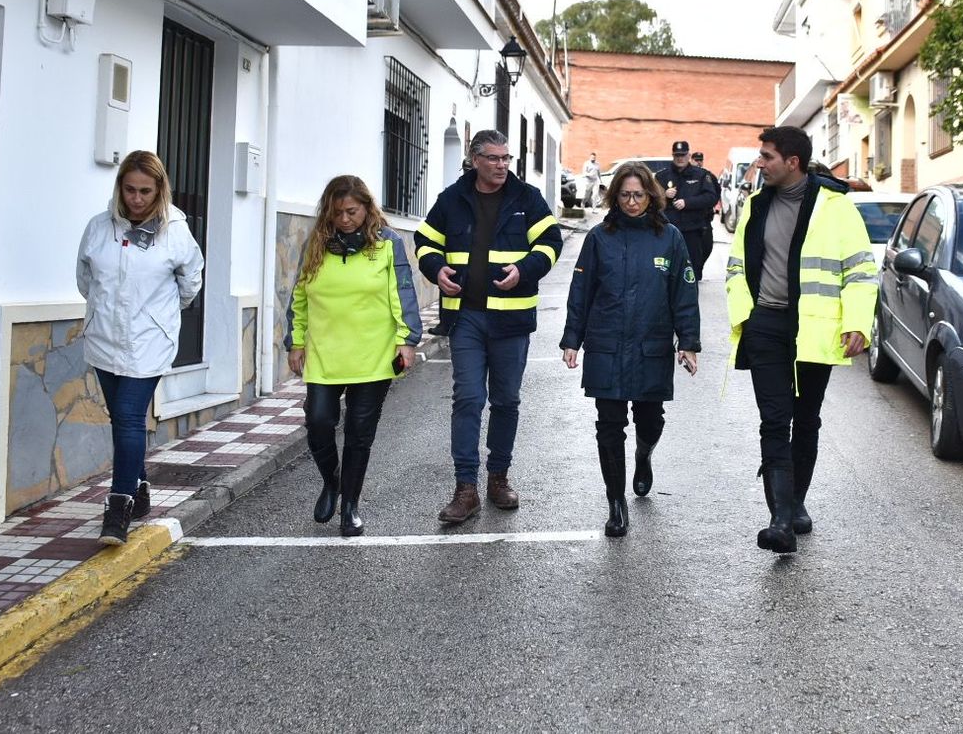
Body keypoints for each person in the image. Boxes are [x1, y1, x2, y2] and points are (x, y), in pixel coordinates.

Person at [725, 126, 876, 554]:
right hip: (766, 328)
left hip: (814, 330)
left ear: (792, 162)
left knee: (805, 419)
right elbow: (737, 267)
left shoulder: (836, 209)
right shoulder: (755, 206)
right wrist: (746, 316)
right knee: (774, 420)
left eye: (767, 156)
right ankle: (780, 520)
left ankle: (796, 502)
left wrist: (858, 323)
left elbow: (862, 273)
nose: (760, 163)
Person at [416, 130, 563, 524]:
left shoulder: (527, 198)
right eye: (494, 158)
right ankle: (466, 489)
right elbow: (425, 242)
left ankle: (498, 478)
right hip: (465, 316)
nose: (502, 165)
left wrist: (526, 270)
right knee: (466, 398)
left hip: (511, 319)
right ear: (475, 159)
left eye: (506, 158)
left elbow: (551, 242)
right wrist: (436, 268)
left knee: (506, 400)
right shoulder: (452, 198)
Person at [561, 161, 700, 537]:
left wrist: (688, 342)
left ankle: (643, 455)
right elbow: (581, 292)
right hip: (606, 344)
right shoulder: (599, 237)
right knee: (609, 426)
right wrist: (572, 339)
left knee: (650, 419)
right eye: (625, 195)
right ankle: (616, 503)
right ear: (614, 196)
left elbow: (683, 293)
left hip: (651, 344)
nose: (632, 202)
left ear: (650, 196)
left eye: (639, 195)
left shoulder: (669, 237)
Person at [75, 150, 204, 546]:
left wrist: (157, 318)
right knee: (120, 417)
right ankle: (141, 486)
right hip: (104, 339)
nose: (136, 198)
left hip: (147, 342)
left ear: (159, 190)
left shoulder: (176, 232)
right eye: (129, 190)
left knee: (129, 418)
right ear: (120, 189)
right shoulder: (99, 228)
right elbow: (85, 278)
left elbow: (191, 281)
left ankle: (119, 508)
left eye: (145, 191)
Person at [285, 176, 421, 537]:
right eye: (338, 213)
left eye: (352, 211)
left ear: (366, 208)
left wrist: (406, 340)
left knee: (360, 435)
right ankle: (332, 482)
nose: (345, 219)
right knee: (318, 423)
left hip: (373, 354)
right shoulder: (316, 244)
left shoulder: (387, 243)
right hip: (324, 354)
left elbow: (403, 293)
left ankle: (350, 506)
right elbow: (299, 297)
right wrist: (295, 342)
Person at [661, 140, 719, 281]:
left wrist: (688, 203)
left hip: (693, 230)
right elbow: (650, 198)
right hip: (669, 230)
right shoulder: (662, 176)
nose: (680, 158)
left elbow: (711, 197)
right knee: (667, 270)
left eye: (683, 155)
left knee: (691, 270)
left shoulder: (701, 175)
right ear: (673, 156)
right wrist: (664, 194)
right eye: (677, 155)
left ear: (689, 155)